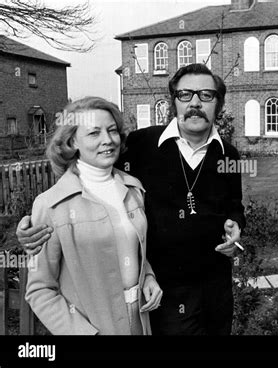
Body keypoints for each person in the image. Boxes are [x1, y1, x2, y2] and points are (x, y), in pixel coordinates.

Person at [17, 64, 245, 335]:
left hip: (215, 291)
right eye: (185, 94)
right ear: (173, 101)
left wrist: (236, 229)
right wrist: (35, 227)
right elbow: (86, 175)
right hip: (164, 298)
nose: (195, 103)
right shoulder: (141, 145)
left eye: (206, 95)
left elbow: (234, 206)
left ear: (218, 103)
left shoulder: (229, 155)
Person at [24, 96, 163, 335]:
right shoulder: (51, 205)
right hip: (91, 327)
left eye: (112, 131)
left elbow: (132, 249)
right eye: (94, 133)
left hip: (140, 320)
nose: (107, 140)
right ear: (72, 141)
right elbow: (39, 290)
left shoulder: (134, 189)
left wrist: (148, 277)